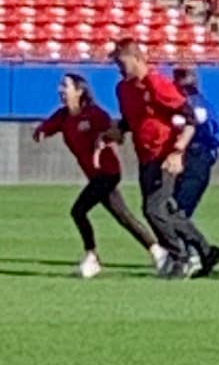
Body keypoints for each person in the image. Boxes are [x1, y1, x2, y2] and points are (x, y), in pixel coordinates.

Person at [108, 39, 219, 278]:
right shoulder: (124, 89)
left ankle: (181, 257)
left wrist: (178, 151)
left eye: (121, 62)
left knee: (154, 209)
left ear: (137, 58)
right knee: (168, 211)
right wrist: (118, 130)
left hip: (165, 154)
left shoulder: (156, 83)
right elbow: (134, 119)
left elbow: (188, 116)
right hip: (146, 155)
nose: (118, 68)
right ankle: (206, 250)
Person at [33, 73, 168, 279]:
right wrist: (40, 131)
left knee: (78, 211)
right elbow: (46, 128)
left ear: (79, 90)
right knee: (123, 216)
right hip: (94, 175)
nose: (60, 89)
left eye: (65, 85)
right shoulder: (63, 117)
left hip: (108, 173)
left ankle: (92, 257)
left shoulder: (94, 114)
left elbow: (118, 135)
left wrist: (103, 138)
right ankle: (158, 252)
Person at [171, 65, 219, 219]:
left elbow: (217, 134)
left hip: (193, 154)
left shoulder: (193, 102)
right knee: (180, 209)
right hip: (193, 155)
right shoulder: (200, 102)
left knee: (179, 209)